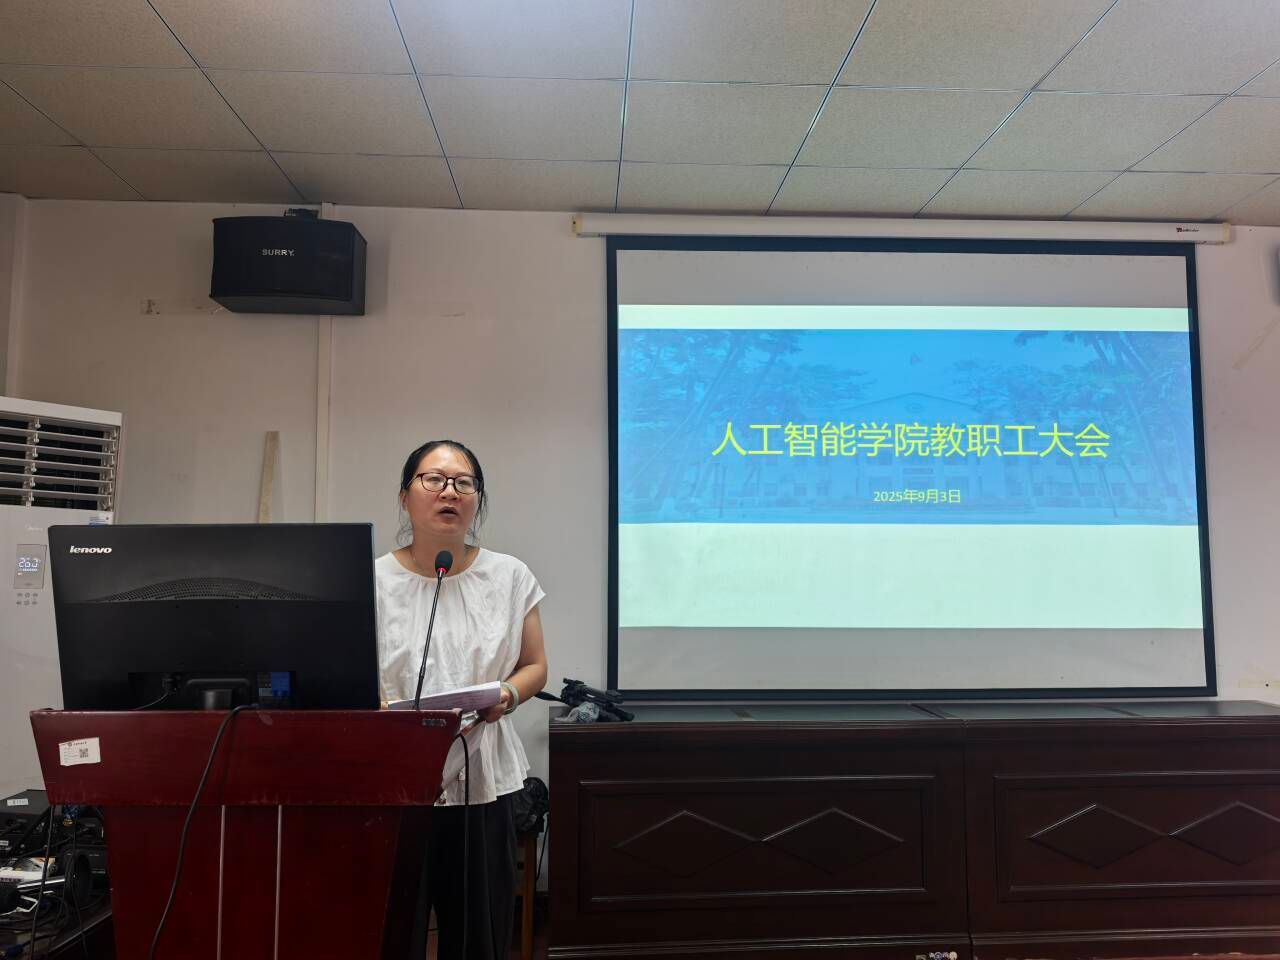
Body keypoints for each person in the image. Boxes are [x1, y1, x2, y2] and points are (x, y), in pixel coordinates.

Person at [376, 439, 547, 960]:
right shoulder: (373, 582)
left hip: (483, 780)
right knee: (391, 934)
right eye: (433, 479)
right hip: (394, 783)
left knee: (479, 938)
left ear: (477, 500)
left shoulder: (510, 576)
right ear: (405, 496)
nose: (449, 491)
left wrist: (508, 695)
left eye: (464, 483)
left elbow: (535, 666)